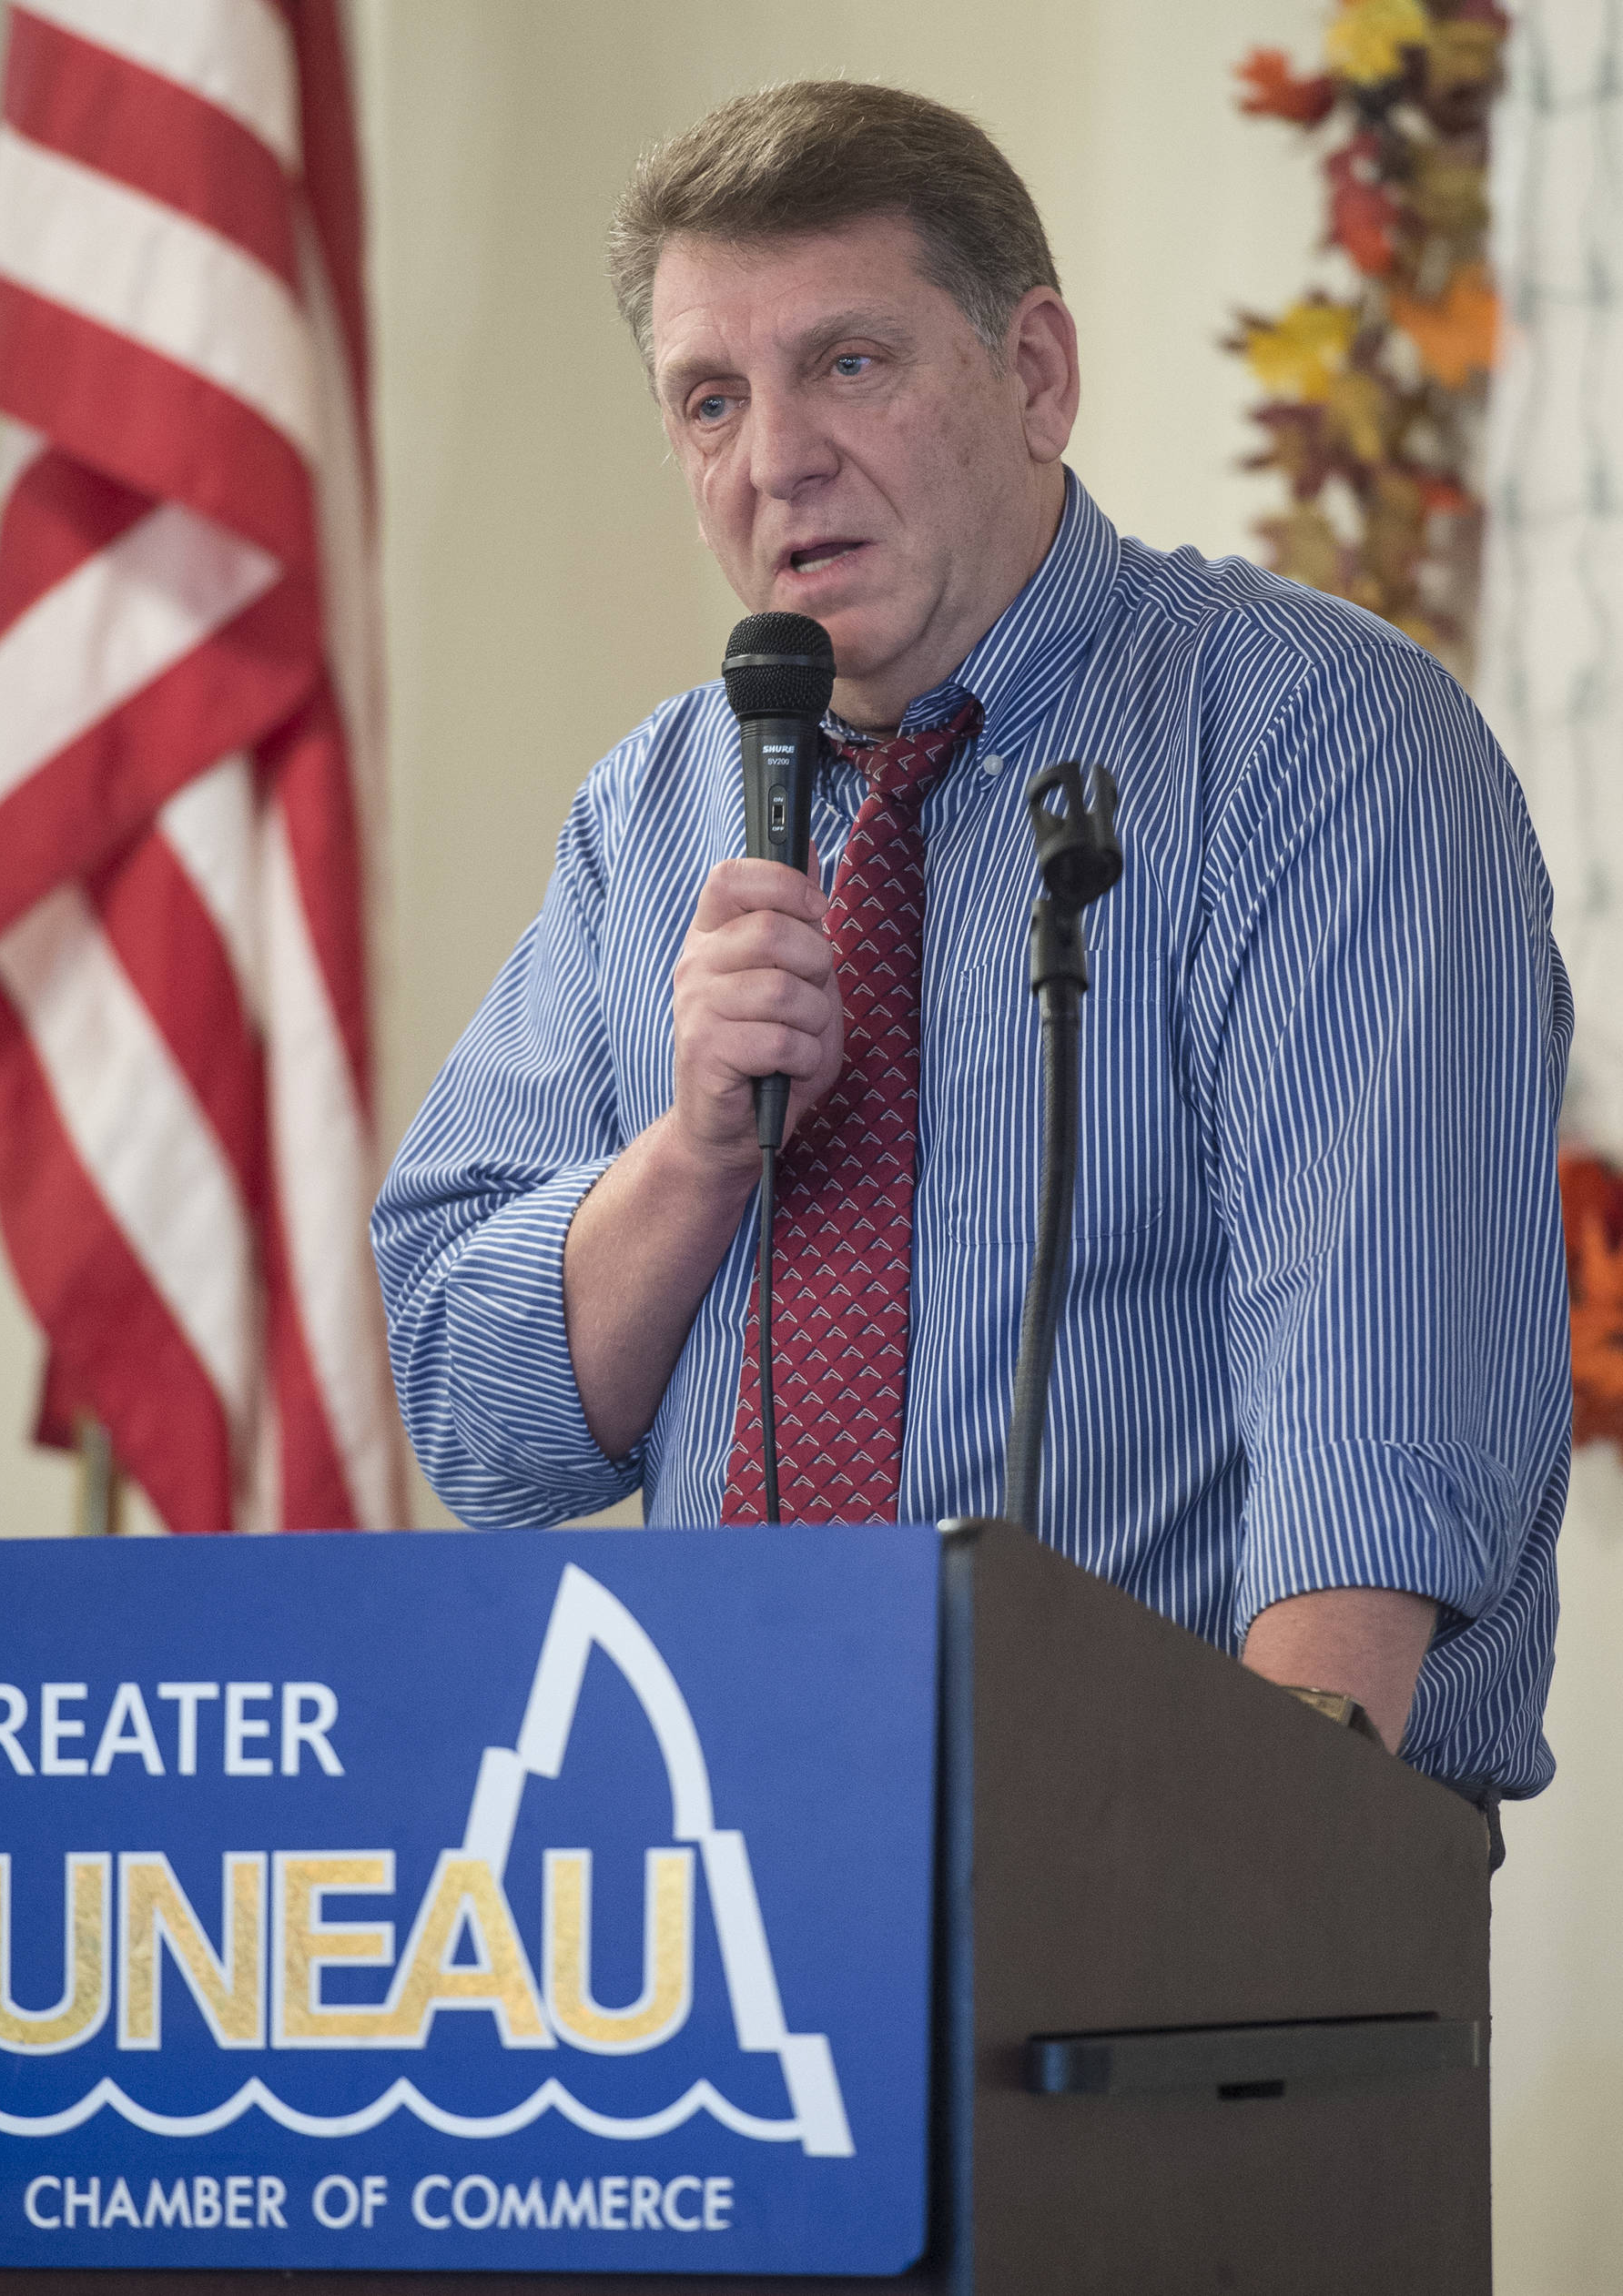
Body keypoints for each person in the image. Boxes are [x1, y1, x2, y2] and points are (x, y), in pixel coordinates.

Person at [371, 82, 1570, 1809]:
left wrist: (1239, 1887)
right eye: (712, 400)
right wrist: (691, 1158)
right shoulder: (649, 817)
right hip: (731, 1873)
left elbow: (1374, 1423)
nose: (774, 458)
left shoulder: (1313, 743)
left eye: (848, 362)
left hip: (1167, 1892)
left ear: (1035, 376)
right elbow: (477, 1426)